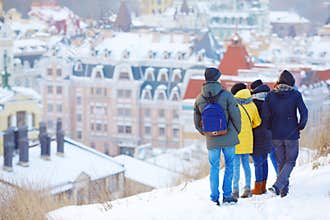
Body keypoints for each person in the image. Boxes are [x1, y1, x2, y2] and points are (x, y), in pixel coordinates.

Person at [194, 67, 241, 206]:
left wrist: (206, 133)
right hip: (228, 136)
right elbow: (236, 116)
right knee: (230, 165)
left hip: (211, 139)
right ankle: (227, 196)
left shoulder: (199, 98)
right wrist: (236, 131)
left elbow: (197, 122)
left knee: (214, 167)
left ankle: (214, 197)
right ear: (217, 78)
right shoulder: (226, 95)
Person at [264, 70, 308, 197]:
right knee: (290, 161)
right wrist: (300, 126)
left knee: (281, 161)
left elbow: (265, 115)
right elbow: (304, 113)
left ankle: (283, 189)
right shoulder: (295, 95)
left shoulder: (270, 95)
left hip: (276, 134)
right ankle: (278, 186)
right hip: (291, 133)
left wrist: (269, 128)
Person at [231, 83, 261, 199]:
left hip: (235, 139)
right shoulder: (252, 104)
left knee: (236, 166)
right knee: (246, 165)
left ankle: (235, 191)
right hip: (248, 139)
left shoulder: (232, 104)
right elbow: (257, 122)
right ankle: (247, 188)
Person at [249, 79, 273, 195]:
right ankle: (263, 186)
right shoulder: (270, 101)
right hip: (268, 134)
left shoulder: (253, 103)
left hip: (256, 136)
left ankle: (258, 188)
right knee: (264, 161)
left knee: (258, 162)